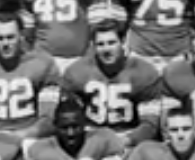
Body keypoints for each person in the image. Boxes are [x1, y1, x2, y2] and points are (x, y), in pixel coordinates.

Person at [62, 21, 162, 149]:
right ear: (93, 46)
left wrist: (126, 141)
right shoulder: (76, 72)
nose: (106, 49)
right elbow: (70, 119)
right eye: (100, 44)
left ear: (123, 43)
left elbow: (150, 125)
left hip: (128, 139)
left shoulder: (144, 72)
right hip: (90, 138)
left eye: (111, 43)